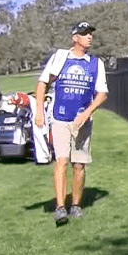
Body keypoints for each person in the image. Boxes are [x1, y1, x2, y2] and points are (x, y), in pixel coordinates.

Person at [34, 21, 108, 226]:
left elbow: (102, 94)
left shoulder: (95, 63)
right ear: (74, 38)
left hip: (82, 121)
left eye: (90, 33)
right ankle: (60, 207)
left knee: (79, 164)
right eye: (84, 34)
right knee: (61, 161)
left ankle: (76, 204)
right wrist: (39, 112)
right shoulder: (60, 57)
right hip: (60, 118)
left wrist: (87, 113)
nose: (89, 37)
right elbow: (42, 84)